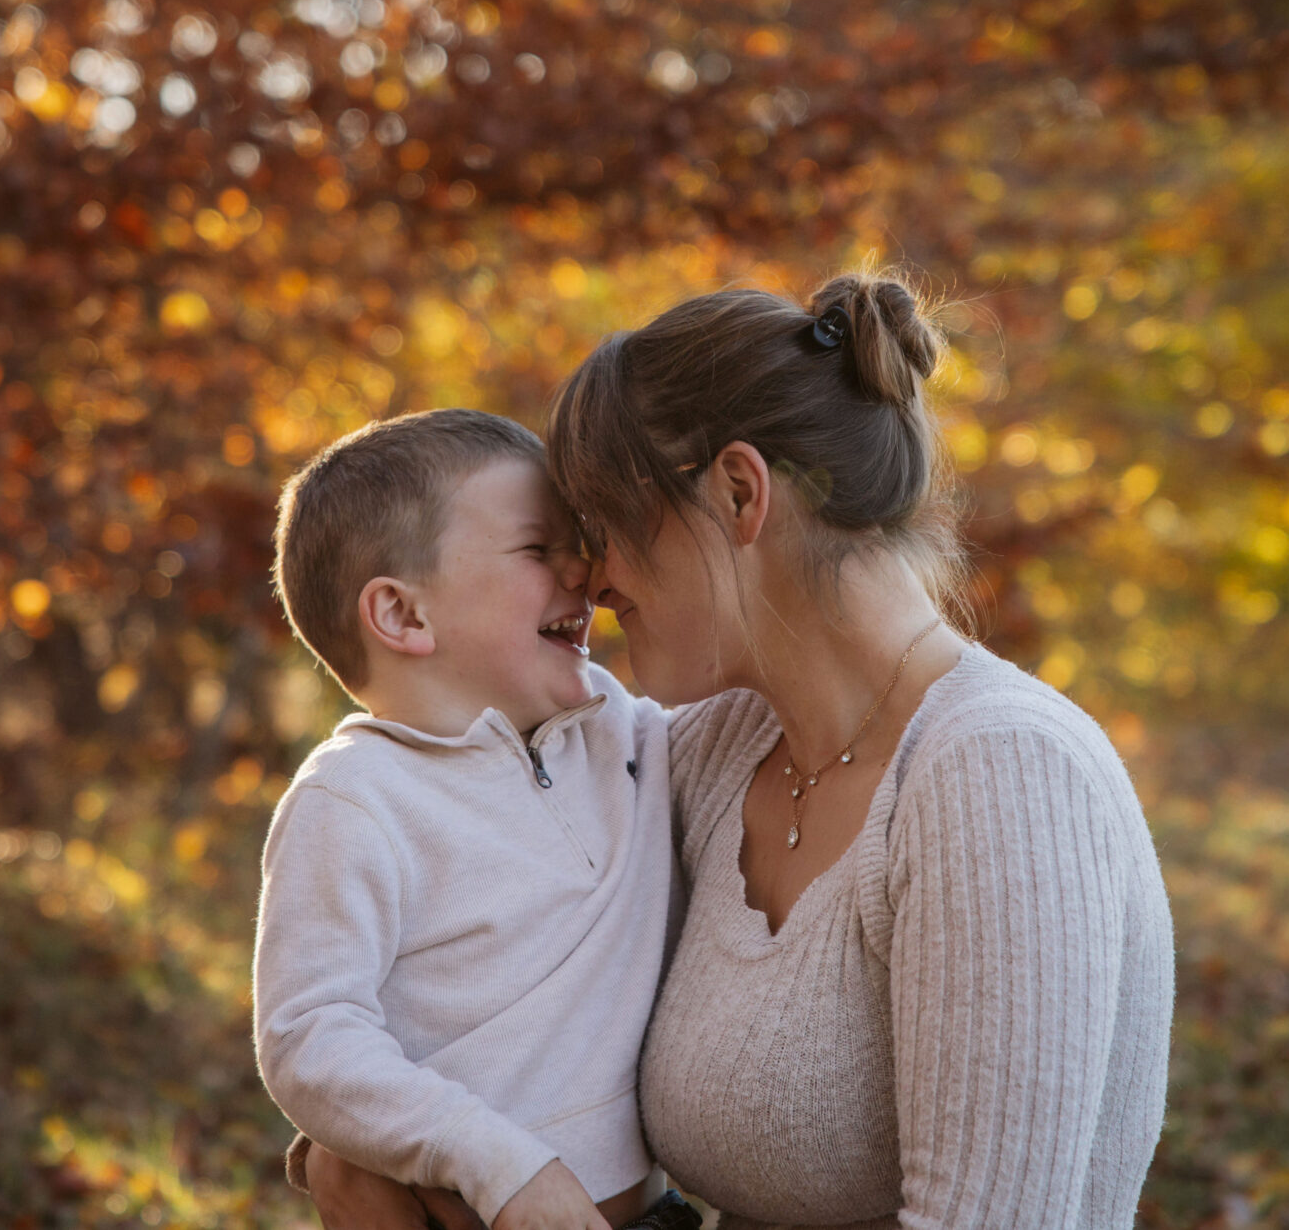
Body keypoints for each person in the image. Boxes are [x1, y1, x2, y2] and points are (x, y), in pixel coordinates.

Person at [306, 275, 1176, 1230]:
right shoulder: (714, 753)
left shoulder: (1003, 775)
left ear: (737, 492)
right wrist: (389, 1153)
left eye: (600, 526)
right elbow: (486, 936)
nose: (590, 579)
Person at [253, 409, 701, 1230]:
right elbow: (309, 1035)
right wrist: (492, 1160)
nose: (586, 570)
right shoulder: (354, 799)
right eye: (539, 549)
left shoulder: (631, 735)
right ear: (403, 616)